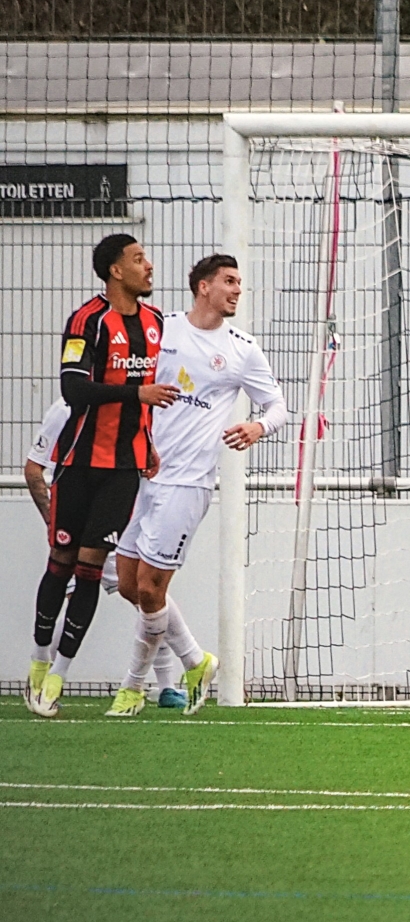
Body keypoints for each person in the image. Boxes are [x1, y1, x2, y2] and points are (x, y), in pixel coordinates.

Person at [106, 255, 288, 718]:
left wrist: (256, 428)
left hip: (188, 483)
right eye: (228, 281)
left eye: (239, 283)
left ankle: (132, 688)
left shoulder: (243, 349)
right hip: (146, 474)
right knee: (129, 584)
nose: (236, 290)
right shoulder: (162, 329)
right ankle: (195, 660)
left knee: (151, 587)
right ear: (202, 287)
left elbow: (277, 405)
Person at [27, 234, 177, 718]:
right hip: (78, 463)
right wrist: (137, 394)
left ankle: (59, 676)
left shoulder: (154, 323)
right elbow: (73, 389)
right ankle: (38, 659)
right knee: (62, 559)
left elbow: (150, 398)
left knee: (91, 567)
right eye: (138, 259)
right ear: (115, 271)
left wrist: (146, 438)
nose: (148, 266)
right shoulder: (87, 320)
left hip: (124, 469)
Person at [24, 399, 184, 706]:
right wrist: (52, 519)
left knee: (146, 594)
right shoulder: (66, 408)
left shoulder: (135, 411)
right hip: (72, 523)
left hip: (113, 528)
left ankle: (168, 683)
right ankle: (41, 672)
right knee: (69, 598)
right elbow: (34, 468)